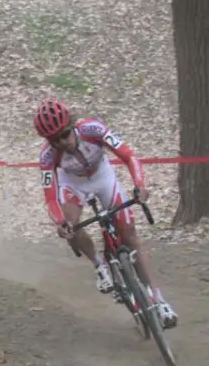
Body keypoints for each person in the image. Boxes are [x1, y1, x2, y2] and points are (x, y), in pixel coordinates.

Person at [33, 98, 177, 328]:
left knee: (129, 236)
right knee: (71, 225)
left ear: (72, 123)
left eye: (65, 133)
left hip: (102, 176)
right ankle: (99, 265)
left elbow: (128, 156)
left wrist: (139, 184)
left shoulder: (92, 129)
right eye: (54, 140)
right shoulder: (47, 156)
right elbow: (50, 197)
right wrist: (59, 222)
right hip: (73, 184)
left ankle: (159, 301)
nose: (62, 142)